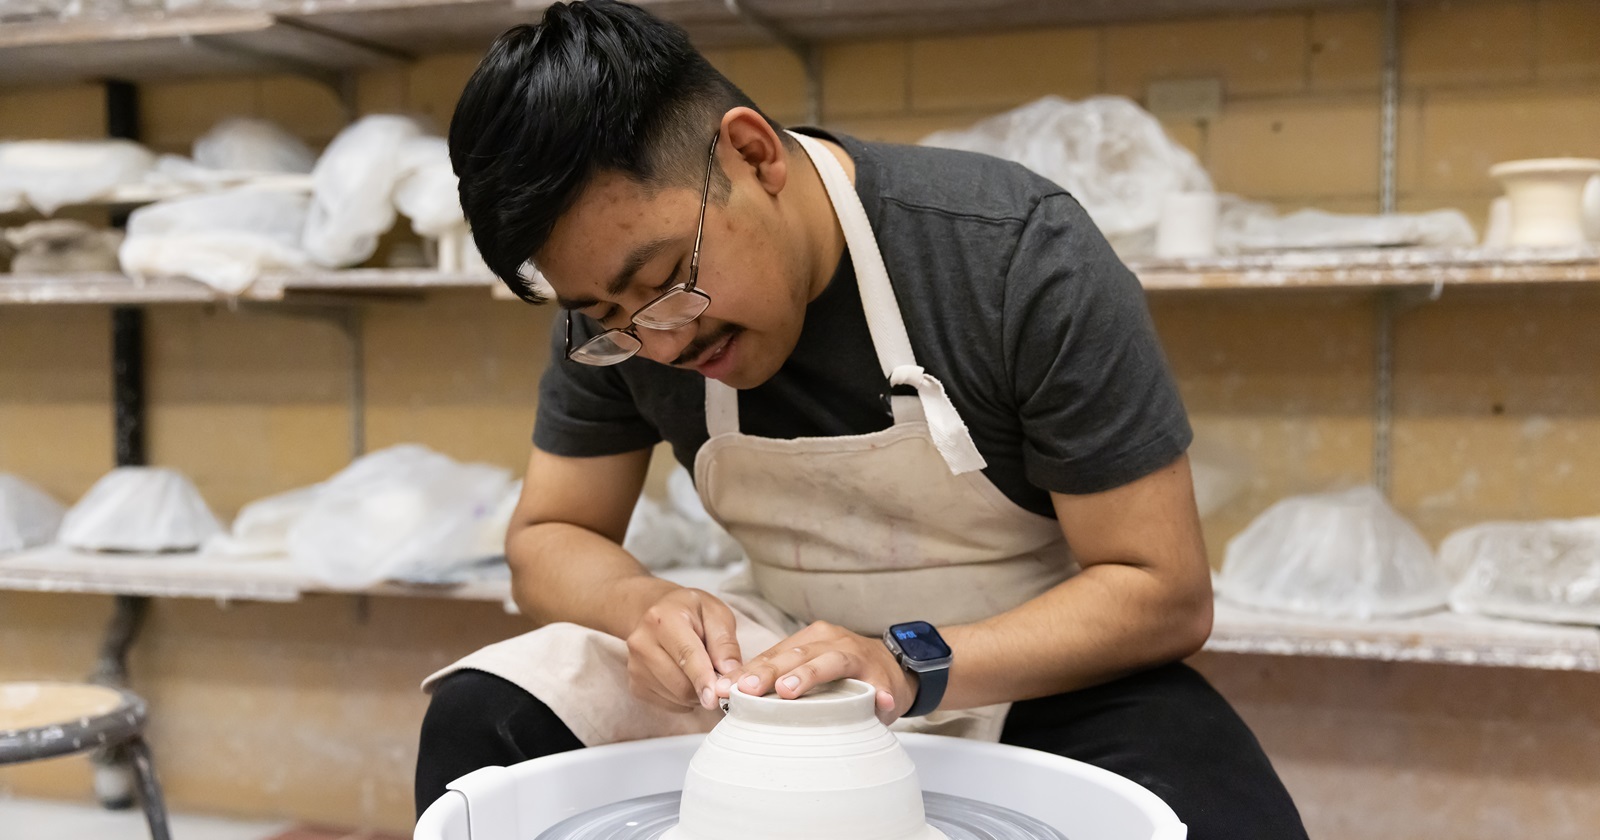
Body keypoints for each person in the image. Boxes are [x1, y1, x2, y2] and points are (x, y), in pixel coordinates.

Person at [416, 2, 1307, 837]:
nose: (661, 340)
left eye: (665, 283)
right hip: (773, 651)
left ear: (754, 155)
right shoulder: (620, 323)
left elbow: (1160, 590)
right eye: (608, 314)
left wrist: (905, 662)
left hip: (1022, 658)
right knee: (486, 720)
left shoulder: (1012, 254)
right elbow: (549, 536)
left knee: (1219, 816)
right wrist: (645, 606)